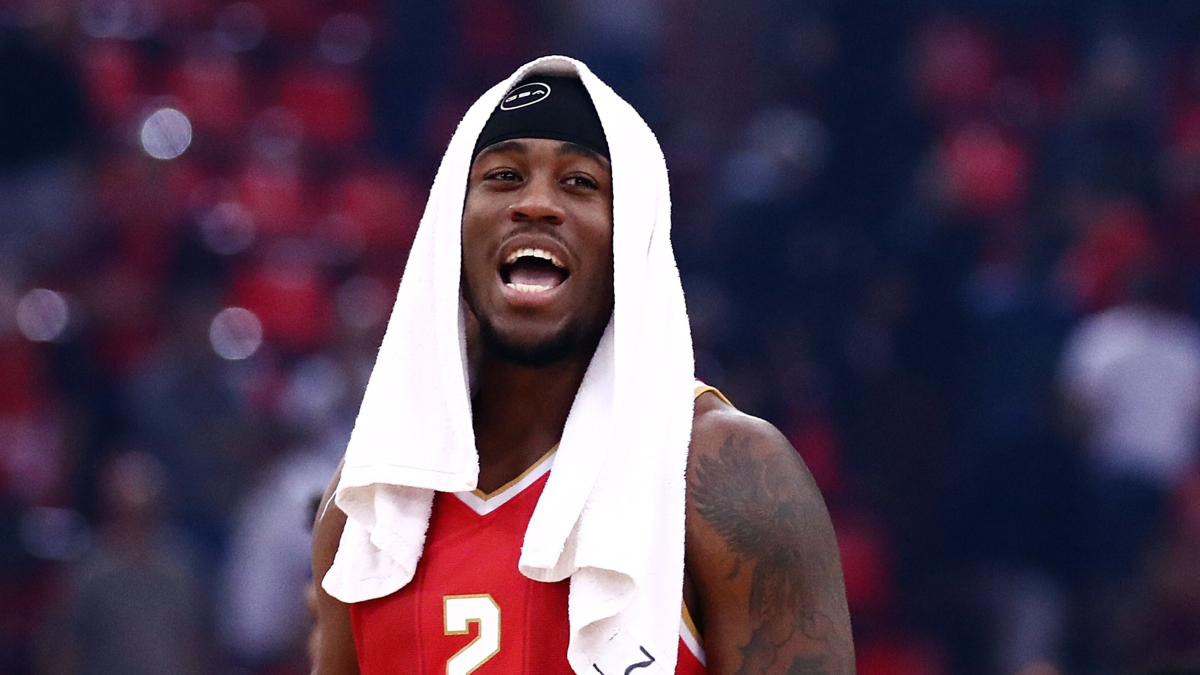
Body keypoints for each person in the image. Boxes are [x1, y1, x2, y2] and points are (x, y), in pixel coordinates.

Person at [311, 58, 853, 675]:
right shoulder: (370, 496)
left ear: (633, 240)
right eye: (504, 176)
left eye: (580, 183)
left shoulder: (730, 474)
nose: (536, 204)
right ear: (449, 233)